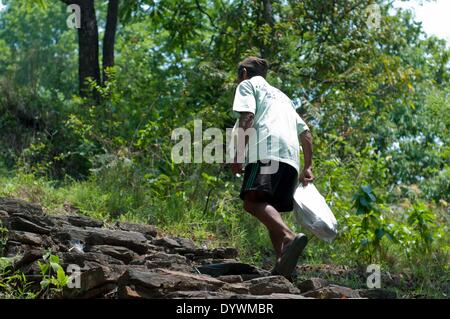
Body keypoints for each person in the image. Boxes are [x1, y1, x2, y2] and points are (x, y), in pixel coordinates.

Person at [231, 56, 314, 280]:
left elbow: (247, 116)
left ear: (244, 74)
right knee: (270, 208)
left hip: (265, 152)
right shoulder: (283, 98)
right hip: (290, 160)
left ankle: (288, 237)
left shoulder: (247, 86)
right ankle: (284, 266)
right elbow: (305, 133)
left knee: (252, 202)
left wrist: (238, 153)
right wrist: (307, 167)